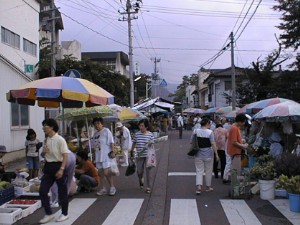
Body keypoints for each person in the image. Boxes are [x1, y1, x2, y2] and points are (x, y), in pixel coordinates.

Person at [39, 119, 69, 224]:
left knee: (62, 192)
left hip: (58, 166)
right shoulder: (46, 140)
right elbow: (43, 155)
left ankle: (64, 213)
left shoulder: (60, 139)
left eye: (45, 126)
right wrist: (43, 153)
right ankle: (48, 213)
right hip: (48, 167)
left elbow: (66, 155)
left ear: (52, 127)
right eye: (43, 126)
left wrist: (61, 169)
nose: (43, 128)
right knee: (42, 191)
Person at [192, 117, 219, 195]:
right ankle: (208, 186)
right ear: (207, 123)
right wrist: (216, 154)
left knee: (199, 170)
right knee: (208, 171)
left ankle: (199, 187)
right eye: (209, 123)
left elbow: (191, 141)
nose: (210, 125)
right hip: (209, 154)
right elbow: (213, 143)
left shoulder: (195, 131)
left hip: (198, 154)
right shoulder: (210, 132)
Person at [91, 117, 116, 196]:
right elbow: (94, 146)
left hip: (106, 155)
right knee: (100, 173)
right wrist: (94, 157)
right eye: (95, 124)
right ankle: (103, 188)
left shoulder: (106, 131)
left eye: (98, 123)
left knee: (107, 172)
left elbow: (111, 142)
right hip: (98, 156)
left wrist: (112, 151)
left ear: (102, 124)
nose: (96, 125)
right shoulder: (95, 134)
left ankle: (112, 187)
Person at [130, 119, 155, 194]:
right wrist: (131, 151)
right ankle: (141, 179)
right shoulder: (137, 134)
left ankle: (148, 187)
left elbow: (152, 144)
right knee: (139, 171)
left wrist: (150, 144)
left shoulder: (150, 134)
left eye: (142, 126)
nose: (141, 127)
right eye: (140, 126)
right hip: (139, 155)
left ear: (146, 127)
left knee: (148, 172)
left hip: (148, 155)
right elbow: (134, 143)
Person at [226, 114, 249, 180]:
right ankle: (235, 188)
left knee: (235, 170)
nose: (244, 123)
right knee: (236, 171)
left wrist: (241, 141)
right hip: (235, 152)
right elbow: (234, 142)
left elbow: (235, 140)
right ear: (239, 121)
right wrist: (243, 146)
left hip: (235, 152)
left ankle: (235, 187)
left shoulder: (234, 127)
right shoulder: (235, 128)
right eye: (243, 122)